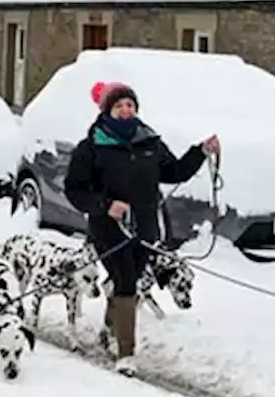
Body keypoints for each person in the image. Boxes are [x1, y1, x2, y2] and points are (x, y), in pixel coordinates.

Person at [64, 80, 220, 376]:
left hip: (145, 226)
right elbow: (74, 190)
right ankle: (126, 353)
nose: (125, 110)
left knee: (131, 281)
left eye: (130, 105)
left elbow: (174, 171)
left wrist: (200, 151)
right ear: (107, 111)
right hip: (108, 226)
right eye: (119, 106)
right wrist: (105, 204)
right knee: (123, 279)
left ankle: (110, 330)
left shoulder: (149, 142)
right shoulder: (92, 146)